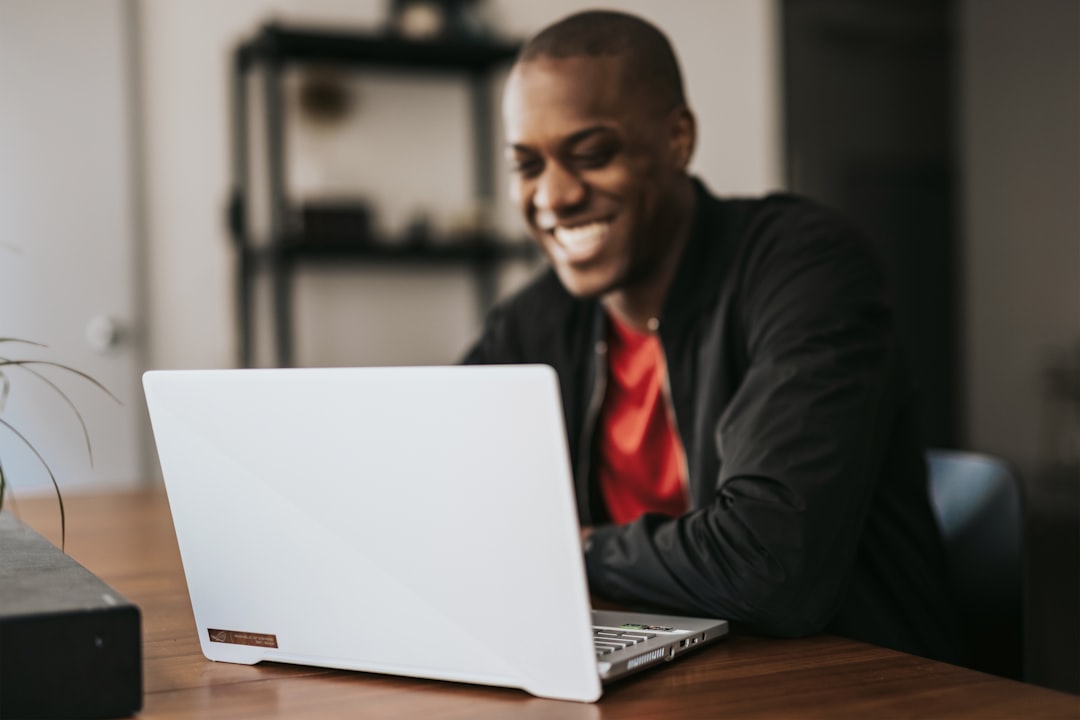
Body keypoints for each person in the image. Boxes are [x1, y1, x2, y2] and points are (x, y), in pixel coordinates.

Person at [464, 9, 963, 664]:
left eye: (592, 155)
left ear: (678, 138)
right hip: (667, 673)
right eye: (527, 166)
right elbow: (447, 499)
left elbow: (766, 565)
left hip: (853, 683)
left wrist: (574, 546)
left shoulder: (807, 269)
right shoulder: (535, 319)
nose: (553, 196)